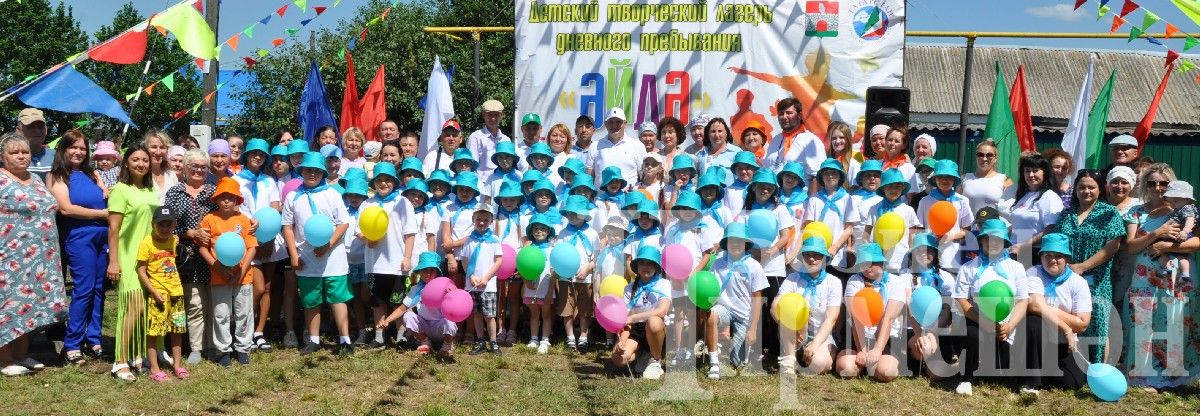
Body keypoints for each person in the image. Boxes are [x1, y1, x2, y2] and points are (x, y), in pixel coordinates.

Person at [1121, 163, 1200, 390]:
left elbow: (1197, 242)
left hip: (1179, 274)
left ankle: (1174, 378)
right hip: (1145, 276)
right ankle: (1144, 377)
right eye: (1152, 182)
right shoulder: (1137, 211)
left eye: (1163, 183)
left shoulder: (1185, 209)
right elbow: (1132, 246)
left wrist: (1165, 247)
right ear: (1145, 185)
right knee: (1144, 320)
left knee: (1175, 320)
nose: (1158, 187)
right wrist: (1157, 233)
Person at [0, 132, 67, 377]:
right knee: (9, 306)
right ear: (2, 156)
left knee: (30, 306)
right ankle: (4, 359)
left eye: (24, 152)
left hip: (41, 258)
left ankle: (21, 354)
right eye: (14, 152)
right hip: (10, 258)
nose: (20, 156)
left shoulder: (36, 180)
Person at [281, 151, 354, 356]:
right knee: (311, 299)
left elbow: (343, 223)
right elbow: (287, 226)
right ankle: (313, 339)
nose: (312, 173)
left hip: (333, 257)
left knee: (337, 298)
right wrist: (293, 254)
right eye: (308, 170)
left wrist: (328, 245)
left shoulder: (332, 194)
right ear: (301, 171)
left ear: (323, 172)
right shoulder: (293, 196)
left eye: (316, 170)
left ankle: (344, 339)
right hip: (306, 257)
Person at [47, 130, 110, 364]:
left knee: (99, 288)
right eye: (73, 147)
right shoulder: (57, 176)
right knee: (83, 288)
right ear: (63, 149)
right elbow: (66, 209)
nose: (78, 152)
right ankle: (72, 343)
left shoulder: (92, 174)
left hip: (102, 237)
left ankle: (93, 338)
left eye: (83, 148)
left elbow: (104, 193)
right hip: (78, 236)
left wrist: (105, 189)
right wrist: (103, 213)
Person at [1050, 169, 1125, 363]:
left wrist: (1083, 266)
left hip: (1097, 279)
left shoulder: (1109, 213)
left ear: (1101, 189)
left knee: (1097, 325)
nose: (1086, 191)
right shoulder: (1067, 214)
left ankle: (1099, 369)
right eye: (1081, 187)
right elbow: (1056, 242)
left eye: (1091, 187)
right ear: (1075, 190)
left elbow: (1113, 245)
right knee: (1071, 318)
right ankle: (1075, 365)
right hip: (1067, 278)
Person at [951, 219, 1030, 396]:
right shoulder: (969, 267)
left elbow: (1022, 301)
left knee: (1001, 373)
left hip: (1007, 325)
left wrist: (1009, 326)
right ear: (981, 240)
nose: (993, 243)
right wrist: (983, 321)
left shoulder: (1016, 267)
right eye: (988, 238)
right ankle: (966, 378)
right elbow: (961, 299)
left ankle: (1023, 378)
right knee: (969, 333)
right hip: (978, 321)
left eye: (998, 239)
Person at [107, 145, 160, 381]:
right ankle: (119, 361)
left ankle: (137, 355)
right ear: (126, 163)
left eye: (145, 160)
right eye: (136, 159)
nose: (141, 164)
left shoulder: (151, 190)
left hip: (149, 257)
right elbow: (113, 228)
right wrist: (113, 262)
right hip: (128, 256)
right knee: (133, 306)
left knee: (144, 308)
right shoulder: (120, 189)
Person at [163, 149, 216, 364]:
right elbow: (168, 225)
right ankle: (195, 347)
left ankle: (213, 344)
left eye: (203, 167)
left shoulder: (214, 191)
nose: (199, 170)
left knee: (212, 302)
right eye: (194, 166)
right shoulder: (175, 192)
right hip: (186, 256)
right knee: (193, 302)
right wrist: (191, 233)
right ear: (185, 168)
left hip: (212, 255)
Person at [1021, 233, 1091, 394]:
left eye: (1058, 256)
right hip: (1036, 339)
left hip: (1063, 343)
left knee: (1073, 382)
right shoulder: (1034, 273)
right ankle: (1032, 380)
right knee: (1033, 320)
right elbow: (1034, 307)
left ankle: (1042, 369)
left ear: (1066, 258)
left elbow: (1082, 324)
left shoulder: (1078, 282)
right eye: (1048, 255)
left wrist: (1047, 308)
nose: (1052, 260)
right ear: (1041, 257)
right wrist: (1067, 328)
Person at [200, 178, 258, 366]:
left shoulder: (244, 220)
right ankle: (223, 349)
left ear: (237, 201)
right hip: (219, 275)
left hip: (243, 276)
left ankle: (243, 347)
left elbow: (252, 248)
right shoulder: (209, 219)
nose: (226, 201)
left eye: (230, 198)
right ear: (216, 200)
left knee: (244, 312)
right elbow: (203, 248)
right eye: (222, 197)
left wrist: (241, 273)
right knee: (221, 313)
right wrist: (218, 267)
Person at [232, 138, 282, 352]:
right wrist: (252, 236)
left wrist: (268, 237)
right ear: (247, 155)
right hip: (246, 239)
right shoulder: (236, 180)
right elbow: (233, 209)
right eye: (254, 153)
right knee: (255, 288)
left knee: (268, 288)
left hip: (269, 239)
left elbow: (275, 208)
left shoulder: (269, 181)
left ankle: (259, 332)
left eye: (262, 154)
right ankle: (245, 329)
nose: (258, 157)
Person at [837, 243, 910, 382]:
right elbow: (855, 317)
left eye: (871, 263)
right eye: (863, 263)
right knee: (846, 369)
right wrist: (862, 350)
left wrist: (877, 349)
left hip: (886, 338)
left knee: (886, 372)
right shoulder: (854, 280)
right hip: (858, 336)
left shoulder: (896, 282)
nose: (867, 267)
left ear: (881, 263)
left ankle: (876, 363)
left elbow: (889, 318)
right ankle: (863, 363)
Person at [363, 163, 418, 349]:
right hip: (375, 263)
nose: (383, 183)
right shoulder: (367, 203)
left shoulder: (403, 202)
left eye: (387, 180)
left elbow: (410, 232)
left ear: (394, 182)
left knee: (398, 301)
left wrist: (407, 257)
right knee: (378, 302)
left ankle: (401, 336)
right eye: (379, 180)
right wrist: (367, 238)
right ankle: (379, 336)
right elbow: (360, 231)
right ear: (374, 183)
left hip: (396, 262)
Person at [704, 223, 768, 378]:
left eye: (740, 241)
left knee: (737, 363)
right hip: (723, 309)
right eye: (732, 240)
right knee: (711, 315)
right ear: (726, 243)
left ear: (745, 243)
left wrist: (753, 329)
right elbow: (710, 290)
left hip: (744, 315)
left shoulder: (754, 266)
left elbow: (757, 299)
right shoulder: (717, 264)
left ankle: (739, 349)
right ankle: (714, 362)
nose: (736, 244)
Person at [776, 237, 842, 376]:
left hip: (821, 334)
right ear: (802, 257)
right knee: (789, 311)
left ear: (824, 258)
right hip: (796, 331)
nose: (812, 259)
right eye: (807, 255)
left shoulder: (834, 282)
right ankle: (790, 360)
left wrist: (815, 344)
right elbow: (775, 305)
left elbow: (831, 318)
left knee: (817, 364)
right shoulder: (792, 279)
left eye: (817, 255)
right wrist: (784, 323)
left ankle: (813, 355)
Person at [137, 207, 189, 381]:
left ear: (174, 225)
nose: (165, 228)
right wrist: (153, 291)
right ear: (154, 225)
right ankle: (154, 368)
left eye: (169, 224)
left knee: (177, 330)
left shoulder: (174, 240)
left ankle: (177, 365)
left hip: (177, 293)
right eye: (161, 225)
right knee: (154, 332)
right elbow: (141, 270)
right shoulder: (146, 243)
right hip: (158, 296)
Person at [376, 252, 457, 355]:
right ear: (419, 272)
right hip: (425, 328)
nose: (428, 274)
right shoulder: (415, 289)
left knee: (450, 322)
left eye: (432, 270)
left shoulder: (444, 287)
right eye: (425, 270)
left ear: (437, 272)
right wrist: (387, 320)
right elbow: (402, 308)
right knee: (408, 316)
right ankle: (425, 341)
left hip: (440, 327)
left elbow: (454, 305)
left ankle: (447, 344)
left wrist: (451, 293)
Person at [611, 246, 672, 379]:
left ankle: (655, 360)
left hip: (657, 329)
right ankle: (642, 354)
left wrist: (633, 318)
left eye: (650, 263)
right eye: (642, 263)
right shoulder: (629, 288)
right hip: (636, 329)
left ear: (656, 268)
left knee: (653, 321)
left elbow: (662, 311)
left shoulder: (663, 284)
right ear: (637, 266)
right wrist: (622, 341)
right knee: (618, 359)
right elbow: (626, 321)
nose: (646, 266)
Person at [905, 233, 957, 376]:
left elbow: (947, 309)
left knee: (937, 375)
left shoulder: (946, 277)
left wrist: (932, 332)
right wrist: (921, 334)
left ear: (935, 253)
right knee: (923, 349)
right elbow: (909, 307)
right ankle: (919, 358)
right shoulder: (905, 276)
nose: (924, 254)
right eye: (919, 250)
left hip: (938, 330)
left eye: (929, 250)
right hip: (913, 330)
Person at [557, 196, 599, 352]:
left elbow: (596, 257)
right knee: (566, 308)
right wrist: (563, 270)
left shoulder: (592, 233)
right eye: (569, 213)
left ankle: (583, 336)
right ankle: (569, 337)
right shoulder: (563, 233)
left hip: (585, 278)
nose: (571, 216)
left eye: (575, 213)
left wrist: (588, 268)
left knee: (585, 309)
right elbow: (559, 255)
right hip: (565, 278)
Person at [800, 159, 857, 273]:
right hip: (816, 254)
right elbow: (810, 226)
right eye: (826, 173)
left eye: (834, 172)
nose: (830, 176)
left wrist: (835, 247)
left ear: (840, 177)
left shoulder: (847, 199)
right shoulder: (814, 199)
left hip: (837, 255)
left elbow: (849, 228)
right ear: (821, 177)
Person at [916, 160, 974, 271]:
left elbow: (967, 230)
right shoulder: (925, 201)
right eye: (940, 176)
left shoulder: (962, 201)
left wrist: (951, 236)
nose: (944, 180)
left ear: (955, 179)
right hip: (928, 254)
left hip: (952, 255)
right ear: (934, 179)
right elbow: (919, 229)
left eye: (948, 176)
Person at [462, 205, 503, 355]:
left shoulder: (494, 240)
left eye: (485, 220)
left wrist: (486, 277)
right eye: (478, 219)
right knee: (477, 314)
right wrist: (471, 275)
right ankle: (480, 340)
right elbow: (464, 260)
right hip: (472, 283)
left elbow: (498, 261)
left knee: (489, 315)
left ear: (491, 221)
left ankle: (493, 341)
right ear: (473, 220)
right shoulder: (469, 240)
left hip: (488, 285)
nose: (481, 222)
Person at [862, 169, 922, 272]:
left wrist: (912, 256)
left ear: (903, 188)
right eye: (889, 186)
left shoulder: (908, 210)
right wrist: (871, 252)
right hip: (878, 261)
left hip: (901, 260)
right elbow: (866, 234)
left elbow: (912, 236)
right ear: (883, 188)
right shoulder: (875, 208)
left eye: (897, 186)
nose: (893, 190)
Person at [1006, 153, 1064, 257]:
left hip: (1035, 253)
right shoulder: (1023, 196)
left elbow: (1051, 229)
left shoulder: (1050, 197)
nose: (1031, 175)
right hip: (1015, 251)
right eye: (1027, 171)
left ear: (1045, 173)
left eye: (1035, 170)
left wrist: (1024, 245)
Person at [762, 98, 825, 182]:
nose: (784, 117)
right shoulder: (776, 140)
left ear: (799, 115)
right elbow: (767, 168)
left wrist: (812, 195)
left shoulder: (811, 140)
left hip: (800, 194)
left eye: (789, 113)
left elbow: (817, 176)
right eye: (781, 113)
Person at [593, 108, 646, 189]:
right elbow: (589, 176)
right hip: (600, 200)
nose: (614, 125)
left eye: (618, 122)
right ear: (605, 124)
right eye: (611, 122)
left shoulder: (637, 145)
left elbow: (644, 176)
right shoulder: (594, 146)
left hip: (629, 200)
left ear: (625, 123)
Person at [1159, 181, 1196, 289]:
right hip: (1176, 234)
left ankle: (1169, 267)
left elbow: (1190, 220)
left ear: (1187, 199)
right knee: (1182, 256)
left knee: (1157, 250)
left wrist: (1185, 232)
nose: (1173, 204)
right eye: (1170, 201)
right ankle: (1185, 275)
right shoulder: (1178, 208)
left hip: (1180, 235)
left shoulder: (1187, 208)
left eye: (1175, 201)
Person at [962, 139, 1012, 215]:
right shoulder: (965, 178)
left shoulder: (1005, 180)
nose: (984, 159)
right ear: (976, 157)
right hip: (969, 227)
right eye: (980, 155)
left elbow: (1011, 210)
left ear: (996, 158)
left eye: (989, 155)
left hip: (995, 226)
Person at [466, 100, 510, 179]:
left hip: (502, 182)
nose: (493, 118)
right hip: (482, 183)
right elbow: (471, 165)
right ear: (483, 115)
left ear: (502, 115)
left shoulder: (506, 139)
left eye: (496, 115)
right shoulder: (476, 137)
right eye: (489, 115)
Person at [696, 118, 742, 186]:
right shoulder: (700, 155)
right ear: (708, 135)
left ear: (726, 133)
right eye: (713, 131)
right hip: (704, 195)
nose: (717, 135)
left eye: (720, 131)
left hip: (728, 195)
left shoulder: (737, 153)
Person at [14, 109, 54, 179]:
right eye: (31, 127)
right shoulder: (6, 159)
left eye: (40, 127)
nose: (37, 131)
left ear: (46, 130)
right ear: (18, 131)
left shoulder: (58, 157)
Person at [144, 131, 180, 200]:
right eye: (154, 147)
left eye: (162, 147)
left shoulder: (171, 175)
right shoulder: (141, 176)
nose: (158, 152)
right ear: (146, 149)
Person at [825, 121, 861, 188]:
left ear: (848, 140)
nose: (837, 141)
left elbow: (855, 190)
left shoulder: (853, 164)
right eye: (834, 138)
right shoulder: (825, 161)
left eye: (841, 137)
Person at [723, 151, 758, 219]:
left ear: (754, 169)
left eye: (747, 168)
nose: (743, 171)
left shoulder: (759, 189)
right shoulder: (728, 191)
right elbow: (726, 214)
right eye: (739, 168)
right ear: (735, 171)